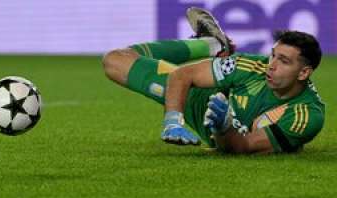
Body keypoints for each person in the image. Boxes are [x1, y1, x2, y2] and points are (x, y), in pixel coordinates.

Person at [102, 7, 324, 154]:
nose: (272, 65)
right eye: (272, 55)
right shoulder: (251, 66)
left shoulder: (306, 114)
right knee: (115, 60)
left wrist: (223, 127)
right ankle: (212, 45)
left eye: (283, 61)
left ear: (304, 73)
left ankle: (213, 45)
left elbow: (244, 147)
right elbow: (182, 75)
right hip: (197, 98)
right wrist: (172, 118)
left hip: (222, 127)